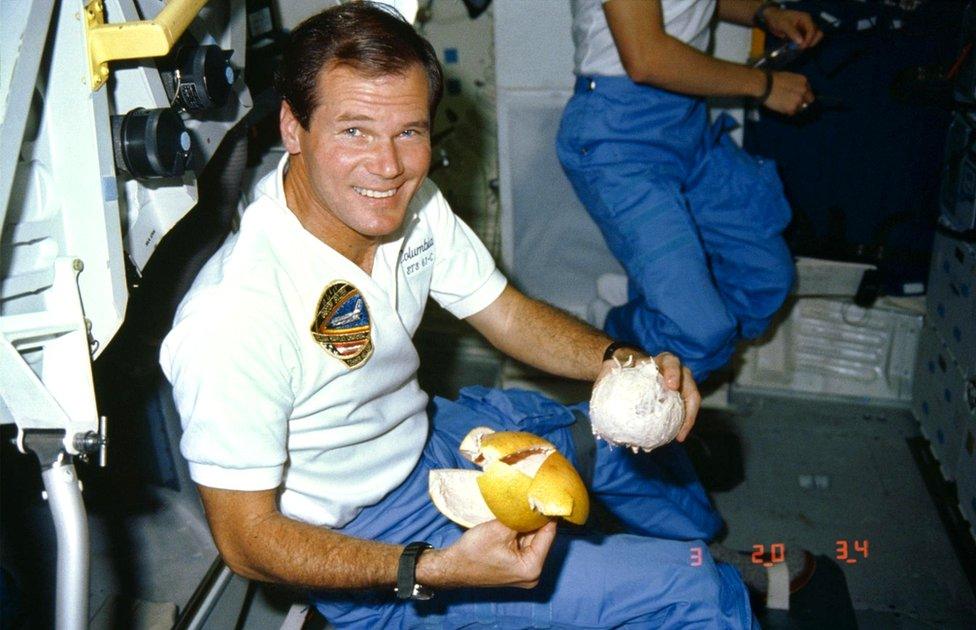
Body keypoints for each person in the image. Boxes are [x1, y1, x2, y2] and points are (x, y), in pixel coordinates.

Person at [160, 3, 759, 627]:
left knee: (626, 446)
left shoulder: (407, 203)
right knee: (699, 598)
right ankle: (705, 582)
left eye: (409, 131)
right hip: (377, 540)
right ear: (292, 127)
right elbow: (246, 541)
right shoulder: (232, 317)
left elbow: (505, 313)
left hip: (431, 440)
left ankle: (710, 548)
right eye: (354, 131)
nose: (388, 167)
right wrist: (429, 569)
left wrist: (622, 363)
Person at [556, 0, 824, 382]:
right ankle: (617, 330)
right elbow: (646, 58)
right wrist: (763, 86)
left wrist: (763, 13)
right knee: (698, 332)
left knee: (765, 280)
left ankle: (659, 318)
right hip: (619, 137)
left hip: (687, 124)